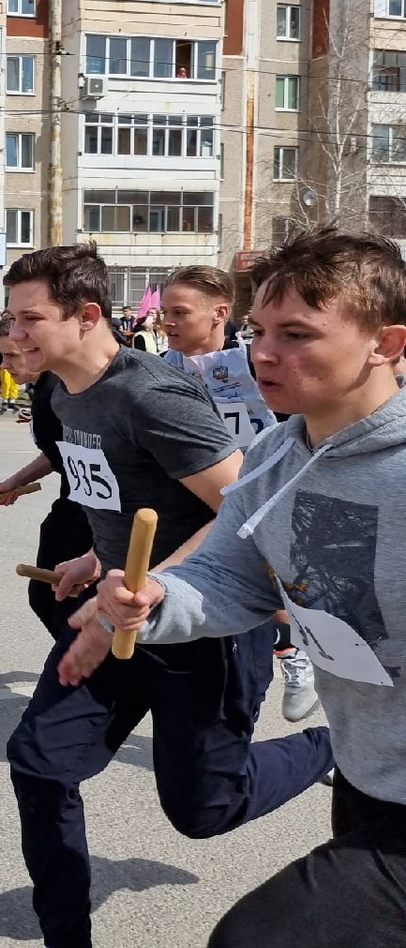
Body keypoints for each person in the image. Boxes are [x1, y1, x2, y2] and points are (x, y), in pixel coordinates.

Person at [0, 243, 333, 948]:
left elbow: (248, 506)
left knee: (204, 808)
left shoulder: (148, 394)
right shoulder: (60, 394)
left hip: (205, 624)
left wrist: (152, 585)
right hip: (119, 611)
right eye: (10, 317)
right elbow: (115, 493)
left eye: (29, 319)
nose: (11, 334)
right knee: (40, 762)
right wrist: (95, 555)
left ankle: (329, 748)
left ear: (86, 316)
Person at [91, 226, 406, 948]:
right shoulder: (271, 456)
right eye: (258, 330)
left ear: (386, 342)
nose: (264, 352)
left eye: (297, 334)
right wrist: (156, 596)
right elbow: (233, 577)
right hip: (369, 768)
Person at [160, 263, 318, 722]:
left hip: (265, 487)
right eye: (164, 311)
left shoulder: (253, 359)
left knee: (271, 578)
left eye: (179, 312)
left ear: (219, 314)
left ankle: (295, 653)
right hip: (198, 495)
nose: (166, 322)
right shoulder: (156, 369)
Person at [0, 316, 94, 636]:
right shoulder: (46, 391)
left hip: (90, 515)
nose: (3, 365)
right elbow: (61, 454)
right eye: (0, 356)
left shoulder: (61, 392)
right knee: (44, 597)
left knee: (65, 605)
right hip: (72, 507)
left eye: (11, 355)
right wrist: (15, 481)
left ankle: (84, 673)